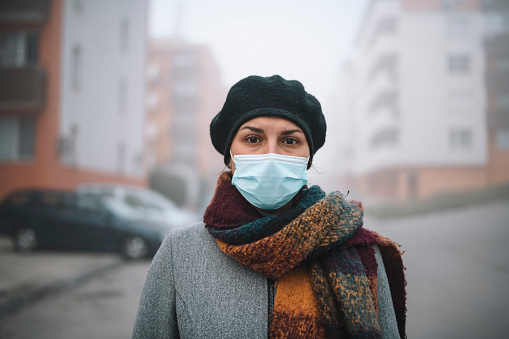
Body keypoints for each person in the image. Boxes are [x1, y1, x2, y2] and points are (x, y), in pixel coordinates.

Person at [132, 75, 406, 339]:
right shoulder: (179, 252)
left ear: (307, 159)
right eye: (253, 139)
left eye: (290, 141)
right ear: (230, 157)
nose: (271, 154)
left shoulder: (359, 251)